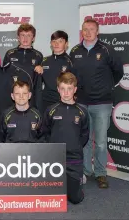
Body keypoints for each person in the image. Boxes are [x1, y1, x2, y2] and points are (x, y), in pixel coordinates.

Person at [69, 19, 124, 188]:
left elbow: (119, 71)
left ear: (97, 31)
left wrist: (106, 87)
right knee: (84, 140)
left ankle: (100, 173)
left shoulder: (107, 49)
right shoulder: (75, 51)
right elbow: (71, 76)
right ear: (82, 31)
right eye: (85, 29)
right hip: (82, 103)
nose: (88, 32)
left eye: (91, 29)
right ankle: (86, 171)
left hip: (102, 103)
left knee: (100, 141)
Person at [43, 72, 89, 204]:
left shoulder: (83, 111)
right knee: (53, 199)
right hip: (55, 158)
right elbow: (46, 132)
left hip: (74, 159)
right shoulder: (51, 110)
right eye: (63, 89)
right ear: (58, 89)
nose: (66, 92)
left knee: (75, 199)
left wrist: (75, 147)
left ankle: (77, 182)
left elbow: (84, 134)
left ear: (75, 89)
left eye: (69, 89)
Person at [2, 23, 43, 110]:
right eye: (22, 35)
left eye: (28, 35)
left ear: (33, 38)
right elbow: (3, 76)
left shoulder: (38, 55)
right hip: (12, 99)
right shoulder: (9, 54)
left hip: (30, 99)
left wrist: (41, 70)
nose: (25, 38)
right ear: (18, 37)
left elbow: (39, 82)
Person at [41, 30, 73, 114]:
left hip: (64, 101)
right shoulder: (44, 61)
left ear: (66, 44)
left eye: (60, 41)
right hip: (46, 102)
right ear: (51, 44)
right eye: (54, 41)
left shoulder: (72, 61)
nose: (56, 44)